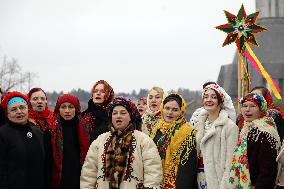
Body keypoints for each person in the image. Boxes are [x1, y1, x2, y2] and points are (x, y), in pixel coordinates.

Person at [80, 97, 162, 189]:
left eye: (123, 113)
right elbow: (88, 174)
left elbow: (153, 172)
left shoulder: (143, 140)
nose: (118, 116)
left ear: (131, 116)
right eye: (114, 113)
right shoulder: (100, 141)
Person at [228, 93, 280, 189]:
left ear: (261, 109)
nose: (247, 109)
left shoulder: (265, 132)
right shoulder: (246, 128)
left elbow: (267, 171)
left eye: (252, 106)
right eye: (244, 106)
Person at [195, 83, 239, 189]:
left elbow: (230, 164)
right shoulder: (198, 125)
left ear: (221, 103)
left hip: (217, 183)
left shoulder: (230, 127)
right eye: (206, 97)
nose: (209, 100)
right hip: (198, 180)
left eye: (214, 97)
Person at [150, 93, 197, 189]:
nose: (170, 112)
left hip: (177, 184)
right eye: (167, 108)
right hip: (155, 182)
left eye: (175, 110)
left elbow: (187, 168)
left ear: (181, 111)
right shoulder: (156, 129)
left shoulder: (187, 133)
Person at [0, 91, 46, 189]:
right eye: (14, 109)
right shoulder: (2, 134)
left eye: (22, 107)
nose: (19, 112)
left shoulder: (37, 132)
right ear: (7, 114)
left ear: (28, 109)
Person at [48, 94, 89, 189]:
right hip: (58, 181)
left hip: (79, 179)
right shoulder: (51, 131)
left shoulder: (84, 130)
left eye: (71, 107)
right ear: (58, 109)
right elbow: (47, 161)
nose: (67, 111)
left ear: (76, 109)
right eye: (63, 107)